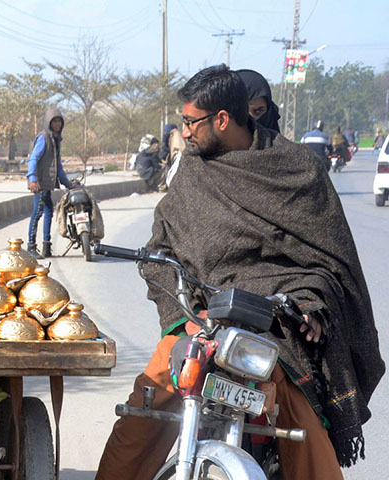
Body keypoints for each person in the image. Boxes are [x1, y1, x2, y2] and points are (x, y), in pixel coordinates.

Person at [97, 65, 383, 480]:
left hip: (273, 323)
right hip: (201, 317)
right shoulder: (192, 169)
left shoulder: (296, 167)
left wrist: (310, 304)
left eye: (191, 122)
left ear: (223, 119)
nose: (186, 132)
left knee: (298, 414)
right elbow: (163, 246)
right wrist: (185, 314)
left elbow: (328, 260)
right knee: (148, 402)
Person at [26, 106, 73, 259]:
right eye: (54, 121)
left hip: (47, 184)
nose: (57, 124)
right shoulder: (44, 138)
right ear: (48, 122)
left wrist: (68, 183)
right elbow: (33, 159)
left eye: (59, 121)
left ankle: (47, 245)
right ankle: (31, 246)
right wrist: (32, 178)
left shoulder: (55, 140)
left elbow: (58, 165)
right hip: (39, 184)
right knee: (37, 213)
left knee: (48, 212)